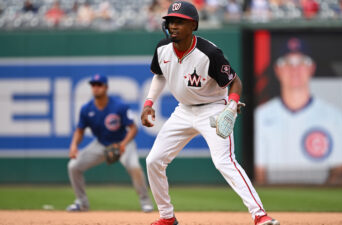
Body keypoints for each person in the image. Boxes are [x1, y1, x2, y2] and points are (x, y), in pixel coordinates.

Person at [141, 1, 279, 225]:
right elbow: (159, 75)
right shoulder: (162, 48)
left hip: (213, 109)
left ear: (193, 25)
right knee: (153, 160)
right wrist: (149, 102)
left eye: (180, 22)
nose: (173, 26)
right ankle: (167, 217)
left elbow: (235, 82)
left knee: (224, 161)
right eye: (170, 21)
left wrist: (231, 106)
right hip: (183, 111)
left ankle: (259, 215)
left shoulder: (209, 53)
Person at [254, 39, 342, 185]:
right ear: (277, 70)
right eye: (287, 63)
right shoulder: (261, 116)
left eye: (302, 62)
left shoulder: (333, 116)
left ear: (312, 68)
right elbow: (258, 174)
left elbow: (341, 171)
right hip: (273, 199)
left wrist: (321, 202)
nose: (294, 69)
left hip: (321, 198)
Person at [67, 74, 153, 213]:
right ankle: (82, 203)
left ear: (106, 87)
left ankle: (145, 202)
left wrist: (123, 144)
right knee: (73, 166)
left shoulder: (119, 106)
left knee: (134, 167)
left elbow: (133, 128)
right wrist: (73, 146)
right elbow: (79, 131)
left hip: (123, 143)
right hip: (101, 144)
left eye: (99, 85)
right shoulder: (86, 109)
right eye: (93, 85)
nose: (96, 88)